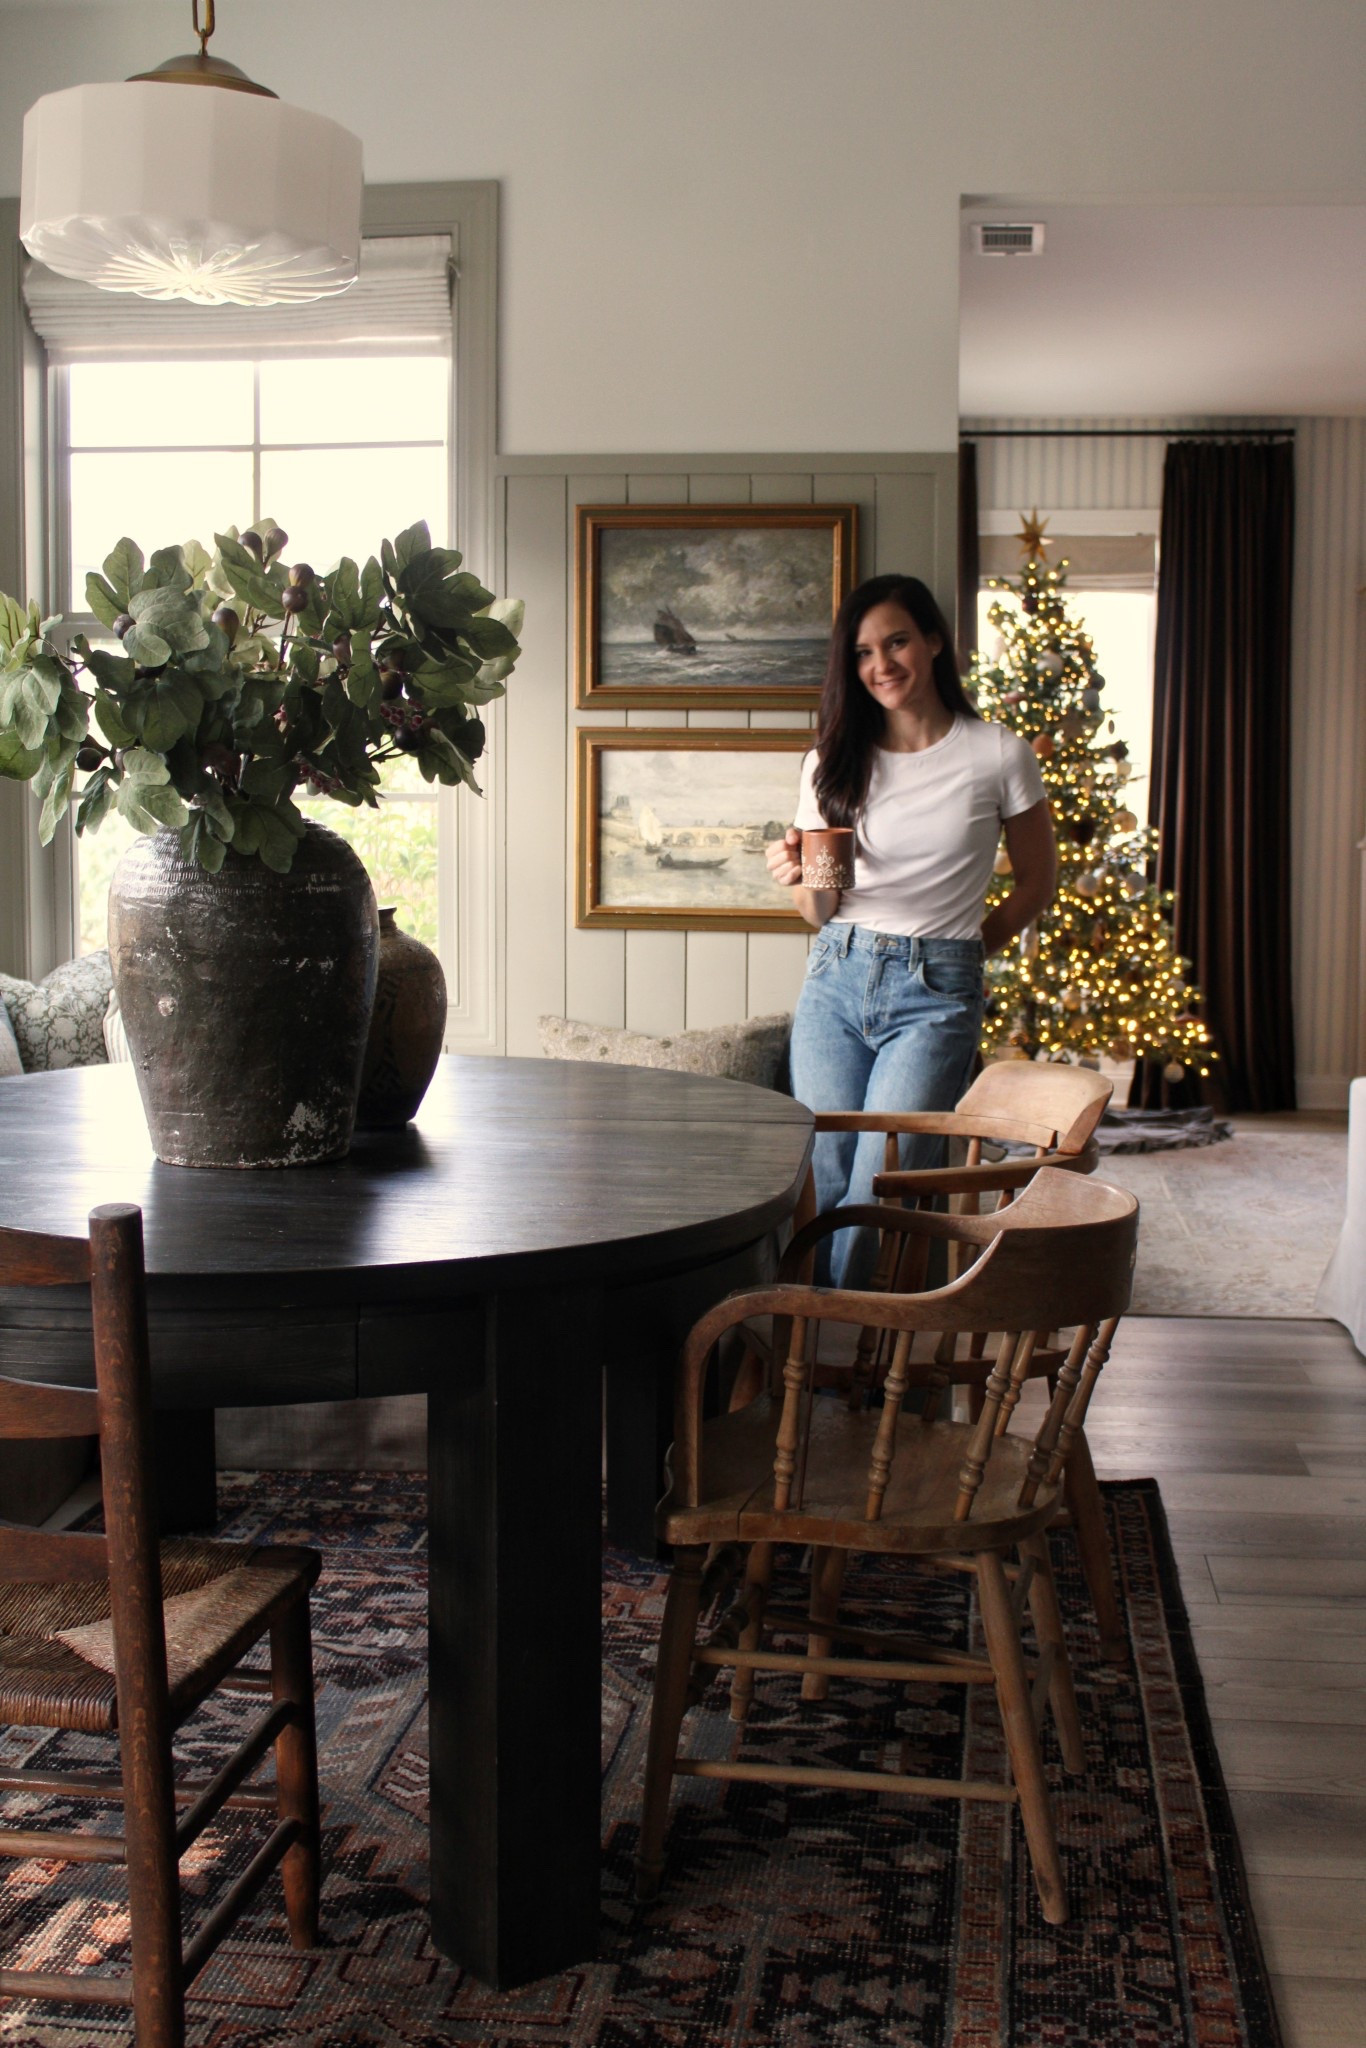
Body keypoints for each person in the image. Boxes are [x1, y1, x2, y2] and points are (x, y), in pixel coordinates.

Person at [766, 572, 1057, 1287]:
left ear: (931, 641)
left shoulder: (997, 754)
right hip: (836, 977)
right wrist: (798, 874)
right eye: (863, 652)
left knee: (880, 1183)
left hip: (937, 990)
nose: (881, 665)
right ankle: (825, 1355)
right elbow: (821, 912)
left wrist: (958, 957)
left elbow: (1037, 884)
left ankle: (837, 1352)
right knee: (824, 1176)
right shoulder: (832, 761)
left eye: (896, 642)